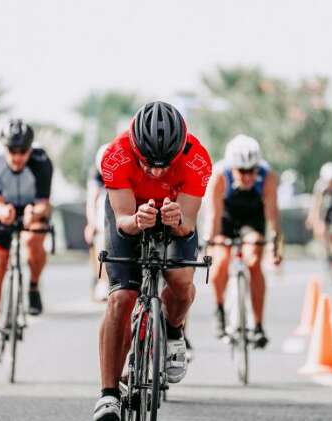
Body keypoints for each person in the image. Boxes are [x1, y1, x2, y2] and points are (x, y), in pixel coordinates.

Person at [93, 101, 212, 421]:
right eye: (148, 163)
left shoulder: (197, 159)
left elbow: (188, 222)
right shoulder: (116, 155)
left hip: (174, 215)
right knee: (121, 298)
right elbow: (122, 220)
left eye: (166, 164)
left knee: (181, 282)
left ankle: (174, 333)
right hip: (132, 215)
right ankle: (108, 395)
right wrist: (136, 219)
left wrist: (177, 220)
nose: (157, 171)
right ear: (134, 148)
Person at [0, 119, 53, 361]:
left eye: (23, 152)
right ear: (4, 147)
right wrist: (3, 213)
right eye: (12, 151)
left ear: (30, 149)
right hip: (1, 210)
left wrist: (35, 213)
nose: (17, 157)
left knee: (34, 239)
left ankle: (33, 286)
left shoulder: (41, 161)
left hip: (32, 210)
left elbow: (45, 203)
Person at [205, 134, 282, 349]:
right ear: (232, 168)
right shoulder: (220, 175)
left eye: (252, 171)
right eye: (242, 171)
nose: (248, 176)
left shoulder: (267, 177)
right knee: (220, 260)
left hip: (252, 220)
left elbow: (273, 214)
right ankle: (219, 309)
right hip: (227, 219)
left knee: (254, 260)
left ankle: (257, 325)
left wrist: (277, 246)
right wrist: (209, 244)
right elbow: (213, 215)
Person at [306, 162, 332, 270]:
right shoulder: (320, 187)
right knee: (323, 231)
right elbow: (316, 204)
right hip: (324, 210)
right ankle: (328, 253)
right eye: (330, 182)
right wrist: (313, 218)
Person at [85, 143, 110, 302]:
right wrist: (91, 224)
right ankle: (101, 280)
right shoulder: (96, 175)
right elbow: (91, 201)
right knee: (98, 244)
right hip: (101, 222)